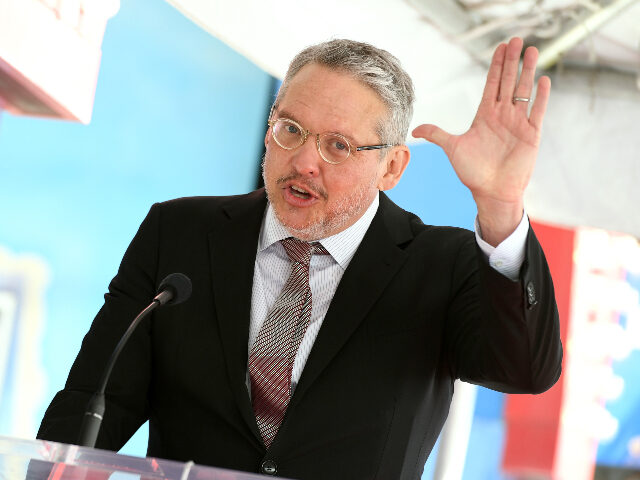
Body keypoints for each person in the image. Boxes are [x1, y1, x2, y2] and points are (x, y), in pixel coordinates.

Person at [37, 37, 562, 480]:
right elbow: (97, 401)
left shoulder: (442, 265)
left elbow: (525, 370)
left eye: (338, 145)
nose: (305, 161)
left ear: (392, 167)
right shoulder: (179, 234)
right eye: (290, 130)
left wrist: (499, 208)